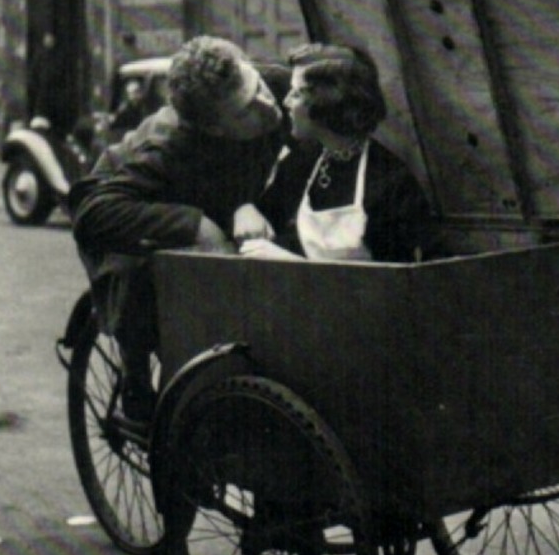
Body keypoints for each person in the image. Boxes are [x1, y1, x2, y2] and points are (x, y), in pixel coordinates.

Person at [69, 35, 289, 424]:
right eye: (244, 112)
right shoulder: (168, 146)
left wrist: (246, 204)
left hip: (211, 191)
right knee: (140, 286)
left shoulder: (274, 86)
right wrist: (195, 225)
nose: (266, 105)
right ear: (215, 129)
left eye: (256, 85)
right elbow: (94, 215)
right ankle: (136, 384)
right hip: (129, 200)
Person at [232, 43, 430, 265]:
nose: (286, 102)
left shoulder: (390, 183)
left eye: (296, 94)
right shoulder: (305, 160)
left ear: (326, 105)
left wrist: (294, 265)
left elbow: (394, 283)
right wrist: (246, 209)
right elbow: (269, 216)